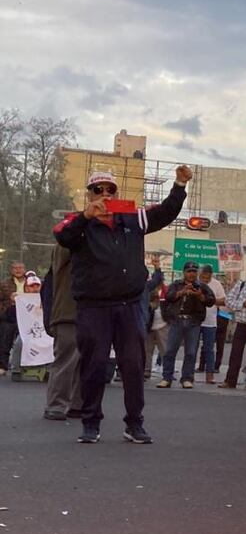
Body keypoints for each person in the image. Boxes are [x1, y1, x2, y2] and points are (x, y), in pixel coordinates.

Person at [54, 166, 192, 444]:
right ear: (89, 194)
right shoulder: (78, 223)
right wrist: (85, 216)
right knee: (94, 366)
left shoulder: (132, 218)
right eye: (98, 190)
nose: (104, 195)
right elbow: (61, 235)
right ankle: (90, 423)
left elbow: (164, 212)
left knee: (133, 364)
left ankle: (134, 423)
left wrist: (179, 185)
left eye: (110, 189)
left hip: (129, 304)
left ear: (116, 192)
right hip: (93, 307)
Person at [157, 261, 216, 389]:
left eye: (194, 272)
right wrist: (182, 292)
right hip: (177, 321)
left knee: (190, 352)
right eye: (189, 272)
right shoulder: (176, 284)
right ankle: (167, 377)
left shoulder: (202, 286)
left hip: (193, 322)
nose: (191, 274)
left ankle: (187, 378)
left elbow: (211, 300)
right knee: (169, 351)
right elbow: (168, 296)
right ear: (184, 272)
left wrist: (200, 296)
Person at [43, 245, 83, 420]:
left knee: (85, 361)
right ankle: (57, 404)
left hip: (88, 313)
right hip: (68, 312)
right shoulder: (65, 245)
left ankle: (77, 403)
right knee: (66, 359)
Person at [196, 264, 226, 384]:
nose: (204, 280)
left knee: (209, 349)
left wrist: (210, 300)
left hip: (210, 321)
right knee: (192, 347)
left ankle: (210, 374)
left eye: (207, 278)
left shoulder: (216, 284)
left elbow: (223, 300)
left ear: (211, 276)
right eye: (202, 277)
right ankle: (188, 374)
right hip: (196, 320)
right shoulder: (195, 283)